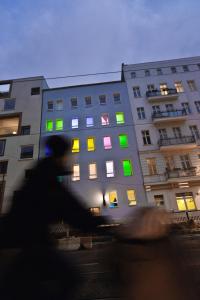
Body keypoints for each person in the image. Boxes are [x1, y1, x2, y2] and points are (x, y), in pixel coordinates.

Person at [0, 135, 108, 300]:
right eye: (69, 154)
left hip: (18, 243)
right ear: (62, 154)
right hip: (29, 244)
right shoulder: (48, 179)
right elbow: (73, 211)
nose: (70, 158)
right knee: (70, 277)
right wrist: (101, 223)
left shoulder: (41, 172)